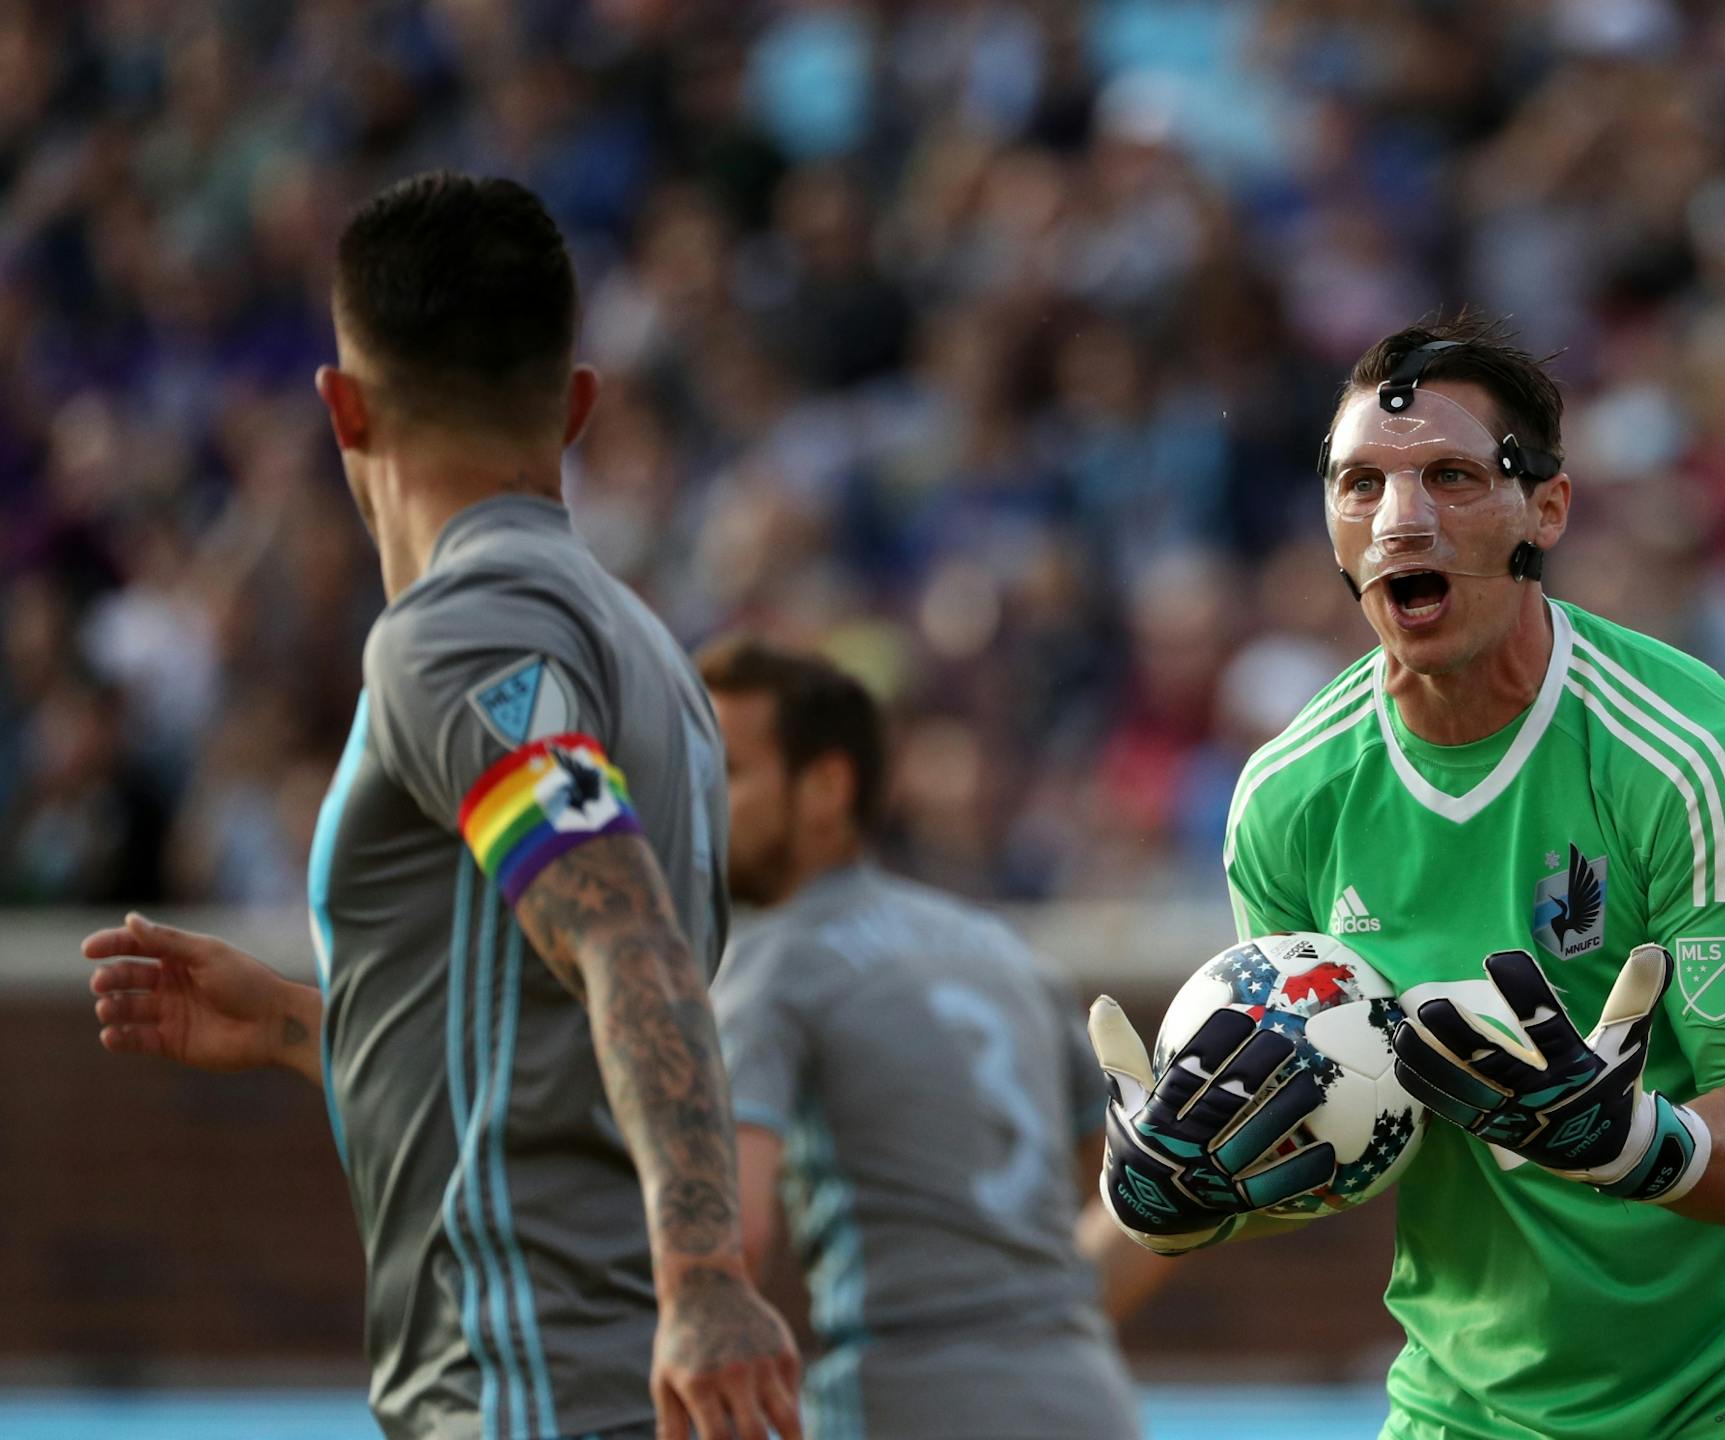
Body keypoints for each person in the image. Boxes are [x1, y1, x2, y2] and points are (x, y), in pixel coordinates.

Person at [82, 172, 799, 1440]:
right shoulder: (649, 655)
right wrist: (312, 1030)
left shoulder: (458, 631)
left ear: (341, 409)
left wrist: (704, 1277)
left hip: (527, 1391)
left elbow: (619, 934)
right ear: (576, 406)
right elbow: (566, 1014)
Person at [1089, 315, 1725, 1440]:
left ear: (1544, 512)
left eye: (1452, 476)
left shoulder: (1695, 762)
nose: (1401, 518)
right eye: (1361, 484)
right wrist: (1184, 1193)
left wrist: (1626, 1139)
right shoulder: (1288, 799)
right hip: (1465, 1408)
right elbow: (1328, 1145)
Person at [698, 638, 1158, 1440]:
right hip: (1087, 1397)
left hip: (901, 1394)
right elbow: (1157, 1208)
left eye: (726, 775)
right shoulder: (1011, 956)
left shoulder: (773, 965)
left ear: (826, 787)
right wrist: (1042, 1320)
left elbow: (735, 1231)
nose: (696, 804)